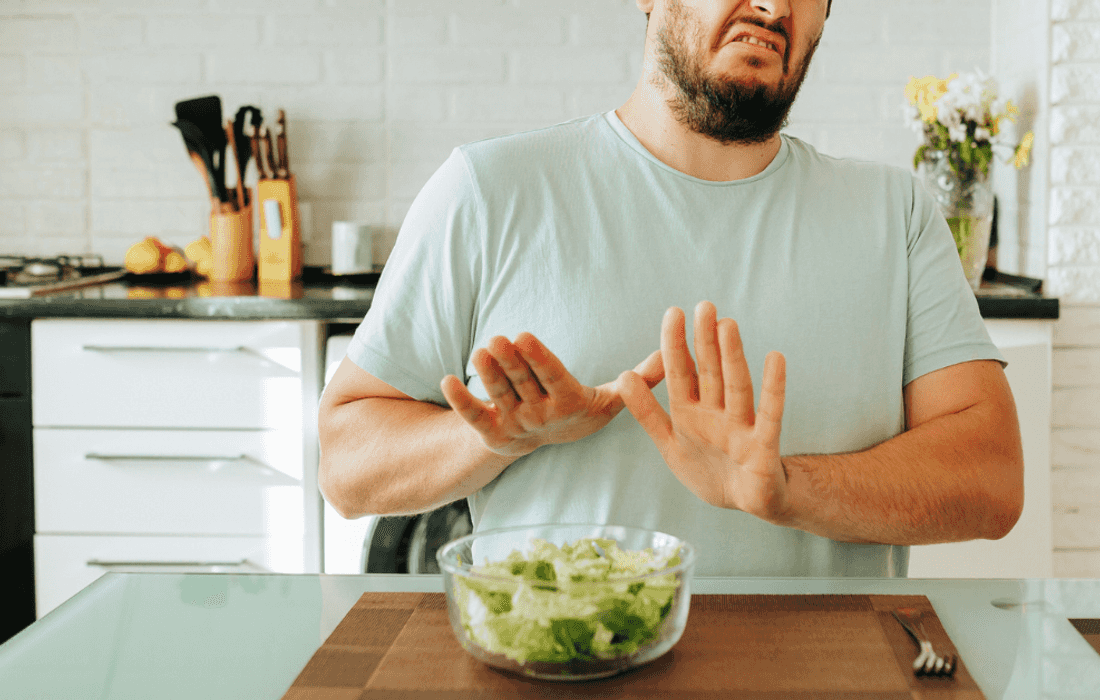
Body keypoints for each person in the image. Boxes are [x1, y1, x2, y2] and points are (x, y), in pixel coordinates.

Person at [318, 0, 1024, 577]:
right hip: (567, 677)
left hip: (830, 675)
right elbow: (347, 466)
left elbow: (991, 479)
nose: (774, 7)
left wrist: (786, 488)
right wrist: (497, 442)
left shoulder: (891, 212)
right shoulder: (490, 191)